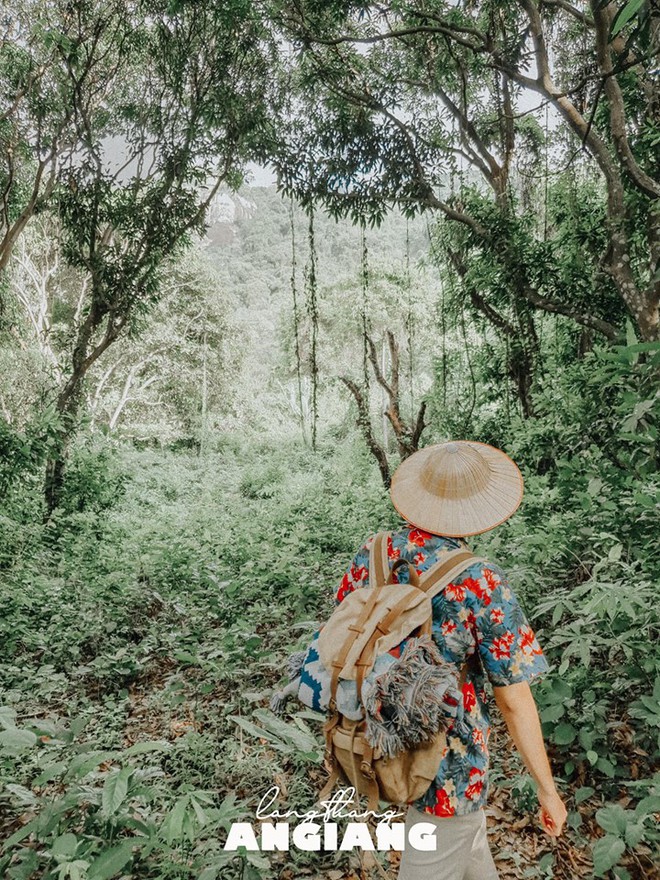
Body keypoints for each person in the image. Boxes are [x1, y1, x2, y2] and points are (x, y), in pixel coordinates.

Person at [335, 441, 567, 880]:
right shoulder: (480, 580)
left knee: (469, 851)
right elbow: (514, 700)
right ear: (473, 510)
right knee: (438, 853)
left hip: (380, 732)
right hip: (447, 757)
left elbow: (341, 628)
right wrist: (548, 790)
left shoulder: (375, 551)